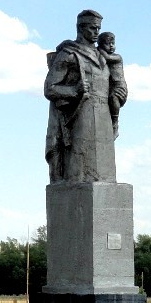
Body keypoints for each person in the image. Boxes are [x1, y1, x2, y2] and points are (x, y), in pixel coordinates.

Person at [44, 10, 122, 183]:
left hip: (104, 119)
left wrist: (118, 93)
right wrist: (74, 90)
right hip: (80, 118)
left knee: (105, 177)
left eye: (98, 29)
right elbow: (50, 89)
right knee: (79, 174)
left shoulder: (104, 56)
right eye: (93, 28)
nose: (96, 33)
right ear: (81, 27)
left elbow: (115, 84)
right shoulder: (69, 54)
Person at [97, 31, 128, 138]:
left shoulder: (117, 57)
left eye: (112, 43)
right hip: (110, 85)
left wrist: (98, 49)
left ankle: (115, 123)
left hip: (119, 85)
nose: (111, 46)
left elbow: (107, 57)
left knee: (114, 97)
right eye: (107, 43)